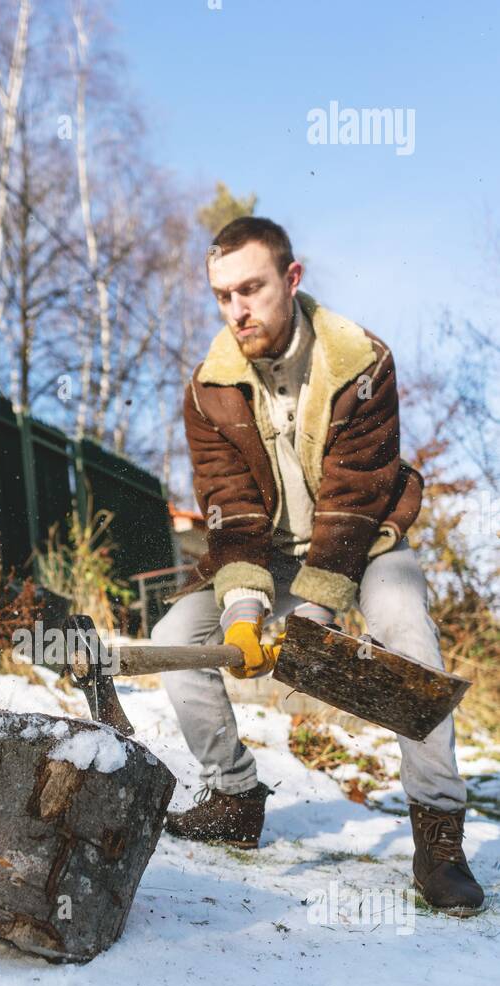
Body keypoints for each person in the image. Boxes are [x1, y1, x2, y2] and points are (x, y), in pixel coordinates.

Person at [152, 216, 484, 915]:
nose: (235, 310)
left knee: (407, 634)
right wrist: (244, 612)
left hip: (361, 544)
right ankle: (235, 798)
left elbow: (355, 498)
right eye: (220, 296)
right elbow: (229, 508)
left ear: (291, 278)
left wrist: (311, 614)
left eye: (250, 288)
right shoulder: (208, 387)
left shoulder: (360, 361)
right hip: (264, 558)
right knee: (172, 642)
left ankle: (437, 833)